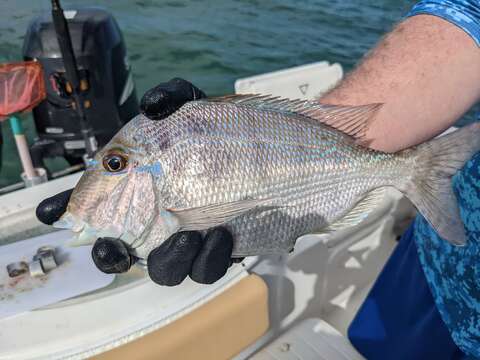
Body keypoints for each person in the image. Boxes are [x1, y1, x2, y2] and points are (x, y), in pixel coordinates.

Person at [36, 0, 480, 358]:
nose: (105, 174)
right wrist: (347, 135)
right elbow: (466, 13)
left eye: (115, 164)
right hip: (434, 270)